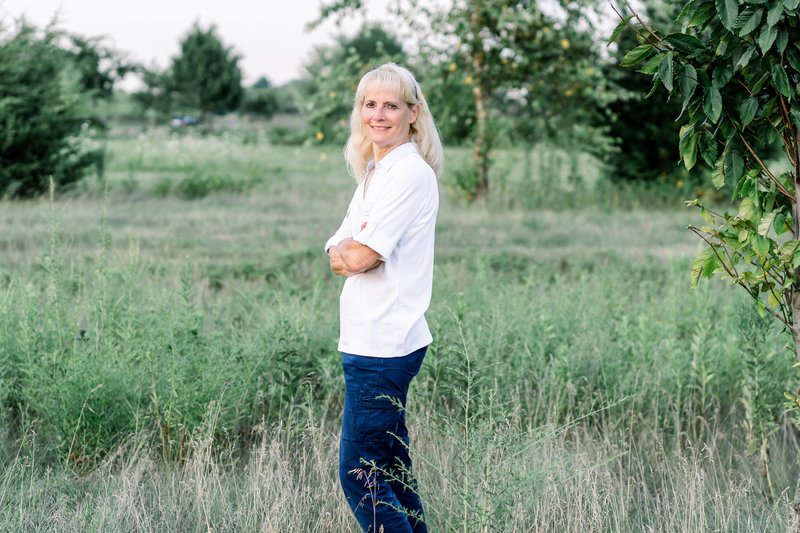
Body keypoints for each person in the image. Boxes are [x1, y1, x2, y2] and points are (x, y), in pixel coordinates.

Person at [324, 62, 443, 533]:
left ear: (413, 113)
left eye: (391, 105)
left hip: (382, 346)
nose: (378, 114)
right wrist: (350, 252)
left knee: (360, 474)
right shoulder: (375, 171)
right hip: (369, 341)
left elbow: (361, 255)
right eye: (369, 104)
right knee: (391, 471)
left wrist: (354, 252)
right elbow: (339, 248)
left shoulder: (408, 174)